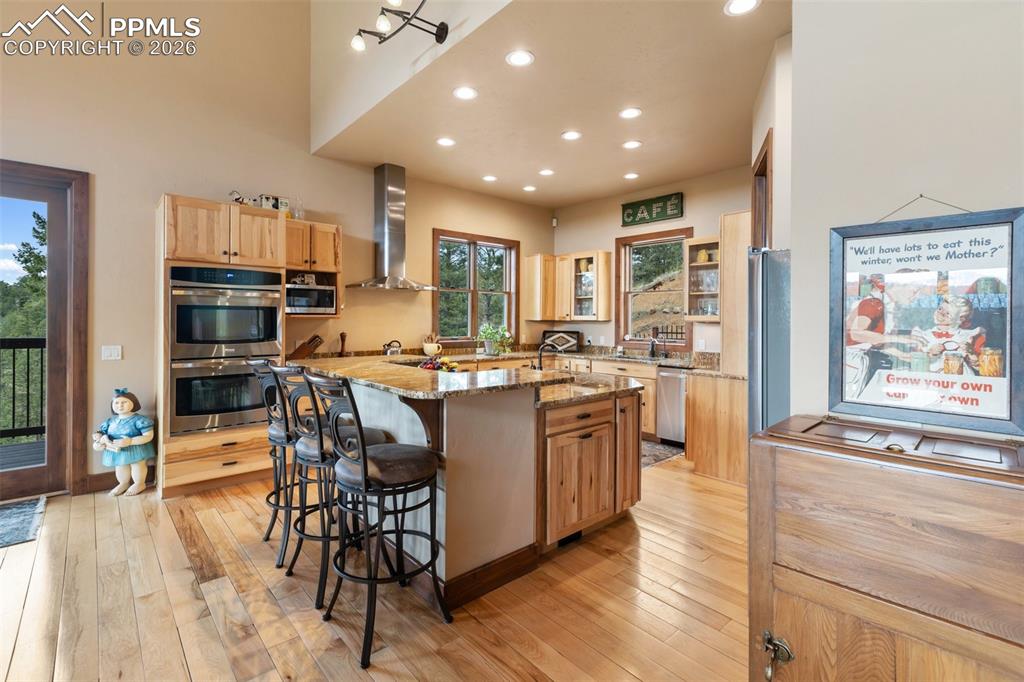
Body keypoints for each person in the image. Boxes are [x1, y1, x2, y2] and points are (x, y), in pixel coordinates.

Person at [92, 388, 155, 496]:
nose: (120, 405)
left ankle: (139, 483)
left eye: (124, 402)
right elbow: (101, 434)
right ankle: (123, 483)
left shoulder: (139, 420)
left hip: (136, 449)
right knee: (120, 466)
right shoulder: (110, 421)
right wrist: (100, 441)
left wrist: (130, 441)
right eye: (116, 403)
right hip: (118, 450)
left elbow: (149, 436)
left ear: (133, 403)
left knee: (137, 465)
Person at [911, 295, 986, 373]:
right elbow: (914, 362)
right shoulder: (925, 336)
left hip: (959, 379)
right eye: (940, 309)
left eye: (948, 313)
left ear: (960, 319)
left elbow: (979, 368)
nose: (941, 314)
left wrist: (970, 352)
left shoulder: (967, 336)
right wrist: (930, 353)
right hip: (932, 380)